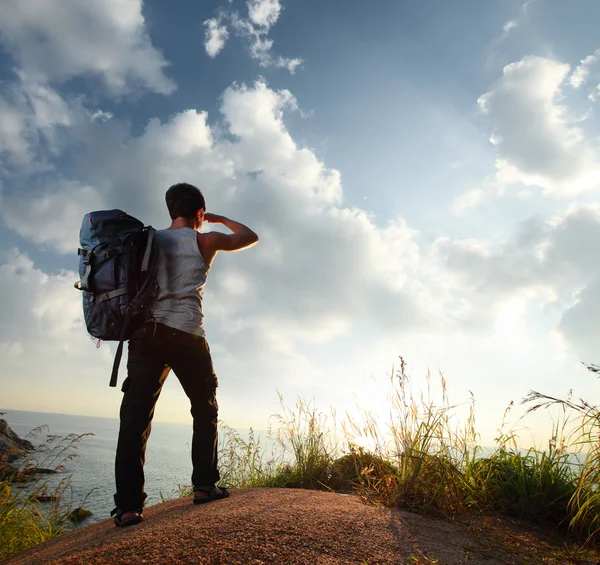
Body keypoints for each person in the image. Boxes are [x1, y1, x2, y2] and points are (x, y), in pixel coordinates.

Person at [111, 182, 259, 527]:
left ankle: (129, 507)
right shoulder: (206, 240)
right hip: (188, 334)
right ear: (199, 213)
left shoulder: (148, 241)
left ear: (170, 210)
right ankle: (205, 486)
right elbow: (250, 235)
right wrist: (217, 219)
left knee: (135, 418)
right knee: (204, 408)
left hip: (146, 337)